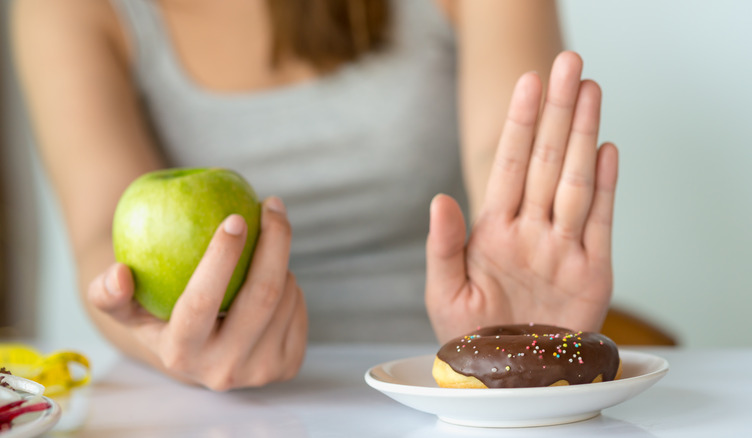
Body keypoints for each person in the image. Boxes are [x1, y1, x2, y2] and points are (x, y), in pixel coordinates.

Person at [11, 0, 618, 391]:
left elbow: (503, 158)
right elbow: (100, 235)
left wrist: (513, 324)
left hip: (438, 393)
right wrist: (163, 340)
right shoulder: (65, 10)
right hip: (196, 412)